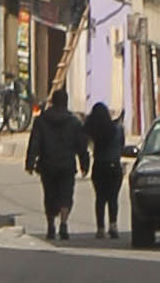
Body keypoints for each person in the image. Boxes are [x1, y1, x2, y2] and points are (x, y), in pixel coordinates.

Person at [24, 87, 86, 240]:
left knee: (49, 195)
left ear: (52, 102)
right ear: (66, 102)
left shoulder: (41, 121)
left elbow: (35, 143)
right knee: (66, 195)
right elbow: (81, 145)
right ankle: (63, 224)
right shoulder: (74, 122)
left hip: (47, 164)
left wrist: (30, 162)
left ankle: (51, 225)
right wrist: (85, 163)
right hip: (67, 165)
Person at [83, 99, 126, 238]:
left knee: (100, 198)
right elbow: (121, 146)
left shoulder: (94, 130)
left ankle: (100, 228)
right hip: (114, 166)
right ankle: (113, 226)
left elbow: (85, 142)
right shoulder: (117, 129)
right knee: (113, 198)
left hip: (99, 166)